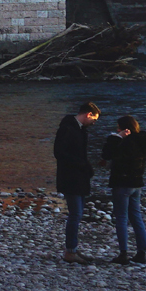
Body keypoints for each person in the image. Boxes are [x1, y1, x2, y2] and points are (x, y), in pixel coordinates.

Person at [100, 113, 146, 265]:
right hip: (137, 183)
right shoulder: (143, 141)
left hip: (122, 182)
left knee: (122, 218)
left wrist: (116, 137)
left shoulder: (123, 142)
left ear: (124, 129)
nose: (116, 130)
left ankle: (123, 253)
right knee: (136, 217)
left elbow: (107, 153)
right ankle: (142, 253)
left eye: (118, 128)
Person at [53, 100, 101, 264]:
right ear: (88, 114)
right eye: (94, 119)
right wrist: (82, 165)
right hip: (71, 178)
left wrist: (85, 167)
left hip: (77, 177)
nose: (94, 123)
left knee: (77, 214)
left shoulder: (78, 129)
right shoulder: (68, 129)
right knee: (75, 214)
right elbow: (59, 152)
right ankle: (71, 251)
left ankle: (72, 249)